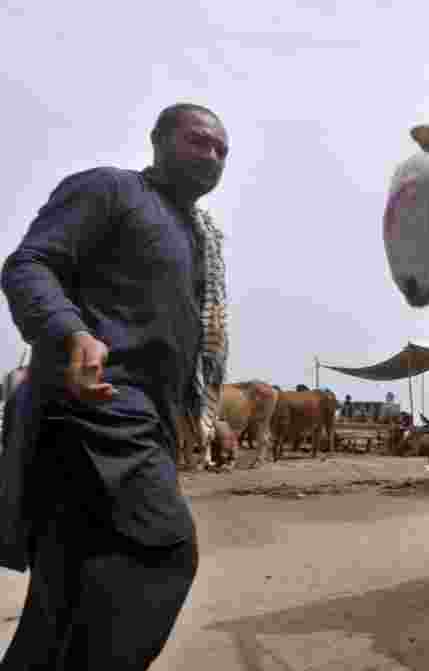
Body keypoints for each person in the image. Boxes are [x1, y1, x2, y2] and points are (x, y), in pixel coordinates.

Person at [0, 102, 230, 670]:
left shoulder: (196, 236)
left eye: (223, 150)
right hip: (98, 412)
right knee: (165, 555)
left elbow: (190, 345)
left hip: (139, 424)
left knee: (71, 588)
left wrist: (198, 408)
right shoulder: (110, 191)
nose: (213, 157)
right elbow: (28, 265)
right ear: (158, 141)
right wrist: (72, 332)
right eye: (199, 141)